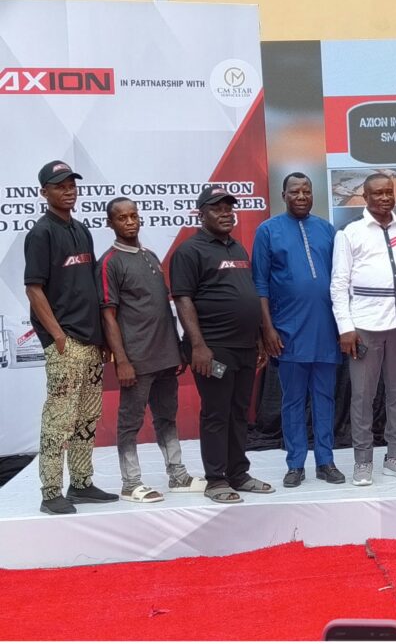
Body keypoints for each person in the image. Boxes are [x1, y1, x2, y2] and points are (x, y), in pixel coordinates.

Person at [170, 185, 275, 503]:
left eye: (229, 208)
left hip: (244, 347)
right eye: (217, 208)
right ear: (201, 214)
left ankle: (238, 473)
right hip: (214, 350)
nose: (226, 213)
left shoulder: (238, 249)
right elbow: (183, 299)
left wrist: (258, 337)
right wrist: (198, 346)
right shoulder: (189, 251)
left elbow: (247, 295)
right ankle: (216, 479)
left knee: (240, 411)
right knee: (217, 412)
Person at [24, 160, 117, 515]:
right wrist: (58, 337)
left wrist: (102, 337)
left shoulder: (81, 230)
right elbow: (34, 289)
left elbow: (90, 285)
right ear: (44, 192)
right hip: (66, 342)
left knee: (87, 417)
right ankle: (50, 492)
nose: (68, 191)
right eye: (60, 186)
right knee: (59, 419)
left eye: (72, 185)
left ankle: (80, 483)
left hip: (91, 341)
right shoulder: (41, 233)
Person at [97, 197, 205, 503]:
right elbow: (108, 316)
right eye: (122, 218)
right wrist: (122, 361)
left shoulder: (151, 256)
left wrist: (177, 349)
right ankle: (130, 483)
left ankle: (178, 476)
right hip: (137, 360)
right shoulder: (109, 262)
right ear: (110, 223)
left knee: (167, 417)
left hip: (166, 356)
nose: (130, 222)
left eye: (133, 216)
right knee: (129, 422)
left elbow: (161, 308)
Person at [252, 173, 345, 488]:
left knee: (324, 399)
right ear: (284, 195)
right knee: (292, 400)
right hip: (288, 331)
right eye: (295, 191)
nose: (302, 196)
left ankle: (325, 461)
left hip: (327, 330)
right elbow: (260, 283)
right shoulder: (268, 231)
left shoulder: (327, 230)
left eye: (307, 191)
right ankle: (295, 464)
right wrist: (267, 329)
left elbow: (340, 278)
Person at [330, 174, 396, 486]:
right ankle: (363, 460)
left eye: (388, 192)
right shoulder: (350, 233)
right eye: (377, 193)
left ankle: (394, 456)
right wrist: (345, 328)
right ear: (364, 197)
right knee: (362, 396)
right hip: (364, 326)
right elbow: (338, 284)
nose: (384, 198)